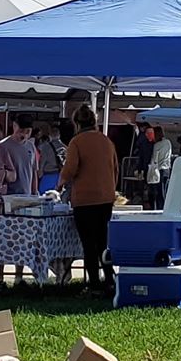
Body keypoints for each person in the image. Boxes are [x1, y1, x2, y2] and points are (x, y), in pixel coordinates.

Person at [58, 108, 117, 290]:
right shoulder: (106, 141)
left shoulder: (76, 142)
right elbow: (115, 168)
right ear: (94, 122)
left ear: (76, 123)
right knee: (103, 242)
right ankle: (110, 278)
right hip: (105, 198)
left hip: (85, 199)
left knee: (88, 244)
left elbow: (71, 168)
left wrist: (60, 183)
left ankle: (94, 283)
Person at [146, 124, 175, 208]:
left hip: (158, 169)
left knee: (159, 191)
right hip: (167, 169)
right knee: (165, 189)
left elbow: (154, 159)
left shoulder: (156, 145)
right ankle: (165, 206)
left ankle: (160, 207)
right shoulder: (168, 142)